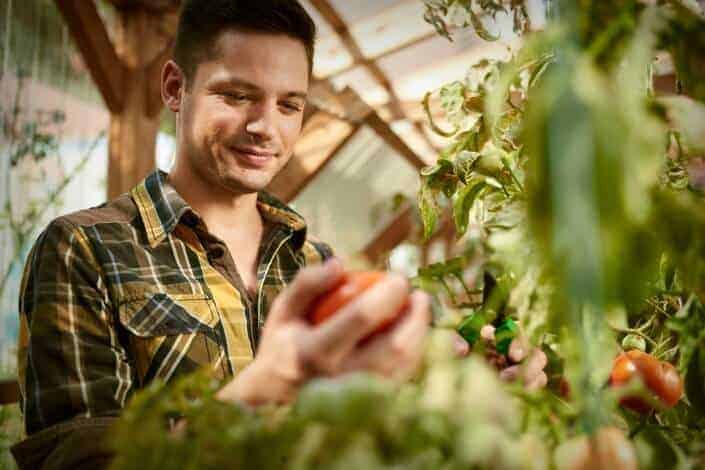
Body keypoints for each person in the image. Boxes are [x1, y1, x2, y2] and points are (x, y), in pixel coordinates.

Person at [11, 1, 545, 469]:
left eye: (289, 104)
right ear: (176, 87)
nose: (266, 126)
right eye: (238, 96)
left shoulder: (316, 265)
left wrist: (464, 395)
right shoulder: (85, 248)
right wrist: (261, 394)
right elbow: (78, 463)